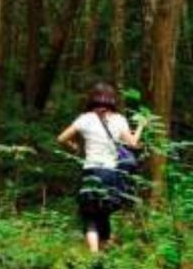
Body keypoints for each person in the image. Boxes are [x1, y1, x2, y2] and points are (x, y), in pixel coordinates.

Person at [57, 82, 146, 253]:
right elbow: (133, 143)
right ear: (112, 100)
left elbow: (61, 138)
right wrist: (141, 125)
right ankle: (103, 252)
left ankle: (94, 253)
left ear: (92, 99)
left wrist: (73, 146)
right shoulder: (119, 120)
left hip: (91, 171)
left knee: (90, 214)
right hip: (112, 173)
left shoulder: (85, 118)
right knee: (104, 211)